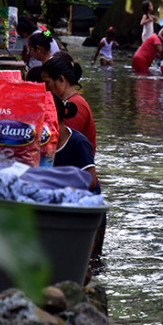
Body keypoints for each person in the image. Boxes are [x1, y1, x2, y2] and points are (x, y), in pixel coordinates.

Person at [51, 94, 105, 257]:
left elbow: (90, 180)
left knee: (91, 260)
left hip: (86, 212)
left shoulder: (77, 143)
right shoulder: (37, 143)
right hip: (60, 210)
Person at [41, 52, 97, 153]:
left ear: (61, 80)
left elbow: (63, 145)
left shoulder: (76, 106)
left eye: (47, 83)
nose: (45, 89)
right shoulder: (67, 102)